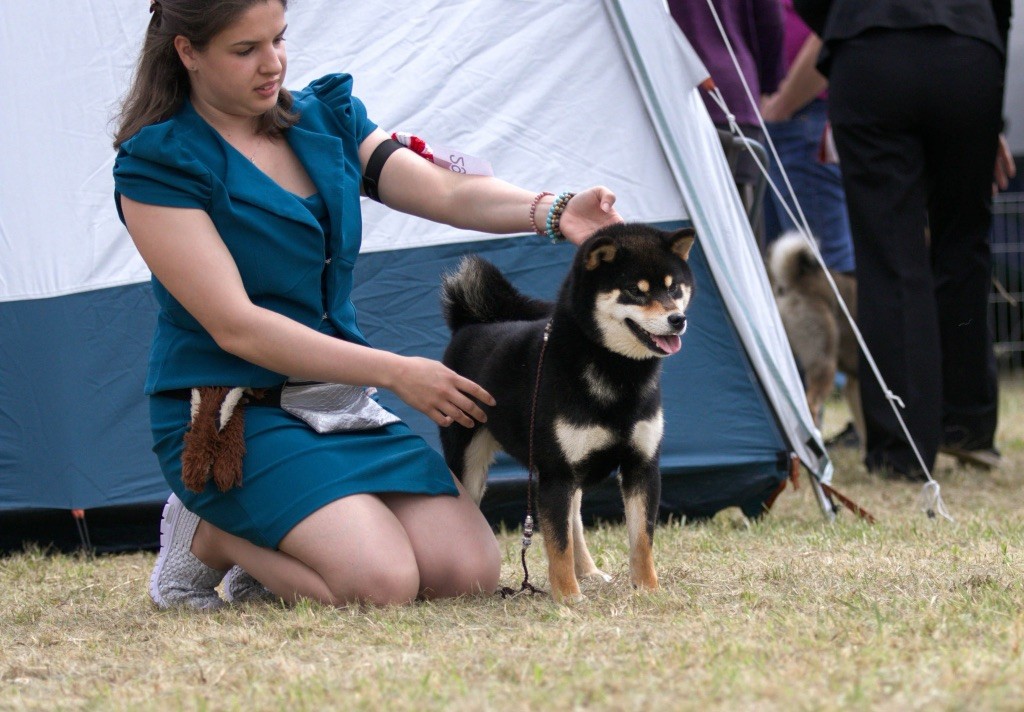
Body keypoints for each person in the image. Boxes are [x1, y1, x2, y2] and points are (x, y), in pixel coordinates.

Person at [112, 0, 623, 609]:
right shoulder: (158, 165)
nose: (272, 64)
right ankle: (214, 534)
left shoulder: (327, 117)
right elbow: (237, 328)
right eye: (245, 51)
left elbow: (443, 189)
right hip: (231, 414)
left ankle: (279, 553)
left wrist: (555, 209)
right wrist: (395, 371)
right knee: (381, 586)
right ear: (187, 52)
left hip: (336, 402)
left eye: (278, 39)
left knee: (468, 572)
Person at [794, 0, 1016, 477]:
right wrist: (987, 100)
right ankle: (968, 425)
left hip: (869, 49)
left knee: (890, 256)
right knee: (964, 241)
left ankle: (902, 447)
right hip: (968, 54)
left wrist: (844, 22)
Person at [667, 0, 785, 246]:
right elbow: (771, 20)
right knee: (739, 245)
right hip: (731, 94)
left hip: (663, 98)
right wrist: (766, 85)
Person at [760, 0, 854, 275]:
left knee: (821, 266)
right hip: (785, 118)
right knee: (788, 267)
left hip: (803, 115)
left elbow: (833, 26)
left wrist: (784, 103)